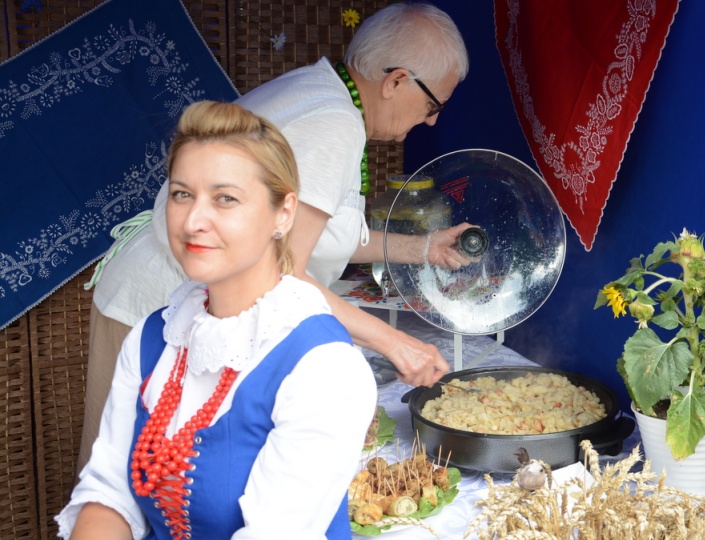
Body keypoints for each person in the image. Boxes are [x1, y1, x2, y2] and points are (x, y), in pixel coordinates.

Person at [79, 2, 470, 471]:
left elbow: (319, 233)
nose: (431, 121)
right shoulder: (334, 125)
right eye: (433, 106)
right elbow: (283, 277)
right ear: (396, 81)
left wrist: (425, 249)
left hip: (186, 311)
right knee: (137, 487)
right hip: (161, 315)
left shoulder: (326, 94)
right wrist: (393, 342)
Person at [57, 101, 377, 540]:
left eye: (225, 199)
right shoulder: (154, 337)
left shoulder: (324, 368)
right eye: (181, 194)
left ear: (284, 213)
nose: (192, 221)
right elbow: (109, 494)